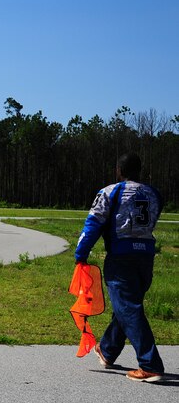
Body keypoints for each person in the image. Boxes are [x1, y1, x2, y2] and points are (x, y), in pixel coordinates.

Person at [75, 153, 165, 383]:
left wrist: (81, 254)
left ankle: (150, 364)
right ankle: (107, 349)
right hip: (145, 257)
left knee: (128, 308)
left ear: (119, 170)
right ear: (140, 170)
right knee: (126, 307)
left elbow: (93, 224)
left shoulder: (110, 191)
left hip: (121, 257)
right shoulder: (153, 193)